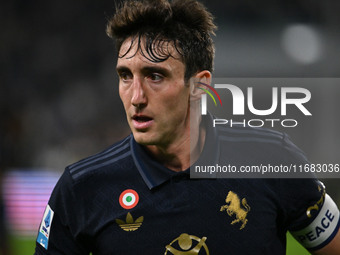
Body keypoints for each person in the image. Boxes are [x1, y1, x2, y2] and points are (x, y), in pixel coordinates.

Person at [34, 0, 340, 254]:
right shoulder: (82, 188)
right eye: (125, 75)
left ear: (199, 86)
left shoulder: (273, 158)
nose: (136, 97)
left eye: (155, 76)